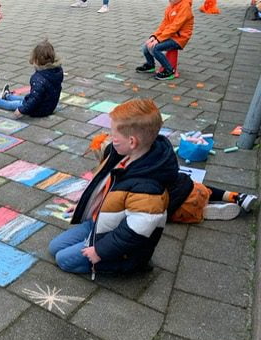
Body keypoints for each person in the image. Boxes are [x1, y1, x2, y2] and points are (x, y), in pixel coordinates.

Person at [48, 99, 178, 276]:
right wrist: (84, 205)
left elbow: (133, 232)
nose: (110, 137)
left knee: (63, 260)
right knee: (54, 247)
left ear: (132, 142)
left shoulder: (148, 189)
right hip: (101, 223)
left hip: (121, 247)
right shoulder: (123, 154)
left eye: (114, 134)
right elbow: (104, 188)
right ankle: (96, 245)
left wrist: (99, 251)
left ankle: (128, 266)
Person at [89, 133, 258, 222]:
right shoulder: (153, 158)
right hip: (192, 187)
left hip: (180, 205)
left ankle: (204, 212)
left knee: (157, 214)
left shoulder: (123, 176)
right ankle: (236, 196)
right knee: (202, 189)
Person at [0, 39, 63, 118]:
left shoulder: (38, 78)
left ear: (36, 60)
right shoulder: (57, 71)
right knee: (25, 98)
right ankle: (7, 96)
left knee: (14, 104)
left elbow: (34, 99)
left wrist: (22, 110)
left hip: (39, 109)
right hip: (50, 105)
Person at [136, 0, 194, 81]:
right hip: (170, 36)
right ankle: (150, 65)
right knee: (146, 46)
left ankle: (169, 71)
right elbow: (164, 25)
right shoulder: (170, 7)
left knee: (155, 48)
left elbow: (175, 27)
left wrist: (159, 39)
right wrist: (154, 36)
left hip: (179, 39)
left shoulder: (185, 6)